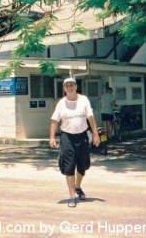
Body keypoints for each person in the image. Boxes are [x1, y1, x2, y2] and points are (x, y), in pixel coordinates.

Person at [49, 77, 100, 208]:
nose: (70, 87)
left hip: (82, 136)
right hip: (67, 137)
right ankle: (72, 196)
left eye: (72, 85)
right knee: (69, 166)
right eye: (67, 86)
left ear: (76, 86)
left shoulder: (83, 100)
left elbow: (90, 117)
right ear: (64, 88)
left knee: (82, 167)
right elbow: (54, 121)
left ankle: (77, 187)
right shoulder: (61, 103)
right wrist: (52, 137)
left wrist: (95, 134)